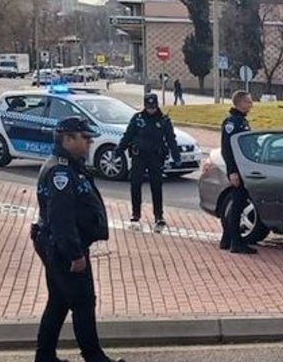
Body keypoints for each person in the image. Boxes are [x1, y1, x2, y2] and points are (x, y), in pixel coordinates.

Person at [32, 117, 124, 362]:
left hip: (59, 244)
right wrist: (74, 254)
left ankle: (45, 356)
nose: (89, 143)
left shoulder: (71, 166)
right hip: (63, 248)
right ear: (67, 139)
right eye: (85, 138)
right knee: (83, 301)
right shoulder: (60, 172)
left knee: (59, 301)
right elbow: (61, 218)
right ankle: (93, 356)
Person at [117, 93, 180, 228]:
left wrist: (176, 156)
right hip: (139, 156)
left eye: (153, 107)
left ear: (157, 105)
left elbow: (171, 139)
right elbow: (128, 136)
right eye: (149, 107)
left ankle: (158, 215)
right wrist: (119, 150)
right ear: (145, 106)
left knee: (156, 186)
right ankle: (136, 213)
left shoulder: (163, 120)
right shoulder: (137, 119)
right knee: (135, 184)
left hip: (155, 157)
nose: (151, 109)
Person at [220, 90, 257, 254]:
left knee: (238, 204)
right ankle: (235, 242)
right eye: (248, 102)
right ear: (240, 103)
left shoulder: (241, 121)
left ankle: (227, 239)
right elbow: (227, 149)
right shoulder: (232, 123)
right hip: (238, 169)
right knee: (237, 205)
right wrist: (232, 171)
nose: (251, 104)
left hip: (243, 167)